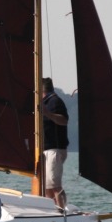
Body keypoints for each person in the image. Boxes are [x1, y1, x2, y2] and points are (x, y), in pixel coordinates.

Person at [41, 77, 70, 208]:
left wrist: (47, 113)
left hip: (55, 149)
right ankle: (51, 210)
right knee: (47, 186)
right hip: (46, 149)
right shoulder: (43, 102)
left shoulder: (55, 101)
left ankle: (62, 210)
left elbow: (64, 120)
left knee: (55, 184)